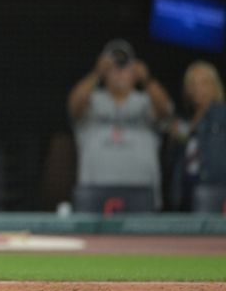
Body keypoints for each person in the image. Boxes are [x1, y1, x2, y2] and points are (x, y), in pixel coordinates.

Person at [67, 40, 174, 209]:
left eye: (124, 66)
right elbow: (73, 107)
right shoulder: (92, 100)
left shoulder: (146, 101)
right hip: (95, 192)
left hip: (141, 192)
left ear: (135, 71)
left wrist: (146, 80)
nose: (118, 71)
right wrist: (96, 73)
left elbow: (166, 111)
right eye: (112, 66)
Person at [170, 62, 226, 211]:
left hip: (213, 188)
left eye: (204, 83)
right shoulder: (185, 122)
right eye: (192, 84)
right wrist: (175, 140)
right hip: (187, 191)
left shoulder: (222, 115)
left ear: (215, 86)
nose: (197, 89)